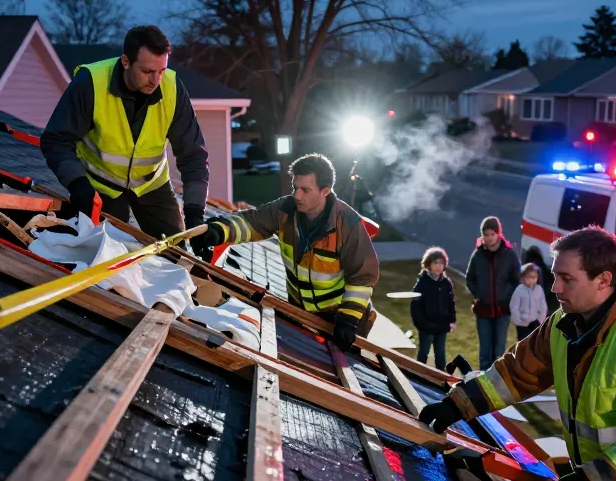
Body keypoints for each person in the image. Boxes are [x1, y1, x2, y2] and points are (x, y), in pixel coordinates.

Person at [419, 226, 616, 481]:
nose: (554, 287)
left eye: (566, 279)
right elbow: (515, 373)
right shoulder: (564, 322)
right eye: (554, 275)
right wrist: (456, 406)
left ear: (603, 280)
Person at [40, 25, 212, 258]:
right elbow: (57, 140)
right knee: (105, 256)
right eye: (147, 71)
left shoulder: (172, 87)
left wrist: (194, 212)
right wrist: (78, 185)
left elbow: (193, 155)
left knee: (177, 256)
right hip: (101, 189)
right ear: (125, 61)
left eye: (162, 70)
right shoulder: (90, 84)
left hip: (152, 185)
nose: (156, 80)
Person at [197, 153, 379, 351]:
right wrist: (220, 231)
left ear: (325, 191)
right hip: (303, 315)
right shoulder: (285, 210)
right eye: (295, 188)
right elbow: (252, 223)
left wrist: (348, 320)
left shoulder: (348, 225)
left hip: (342, 320)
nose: (297, 196)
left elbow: (362, 278)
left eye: (305, 190)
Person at [465, 216, 521, 370]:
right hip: (483, 309)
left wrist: (507, 296)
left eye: (492, 234)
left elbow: (516, 279)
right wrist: (479, 294)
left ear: (498, 234)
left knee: (499, 348)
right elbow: (470, 279)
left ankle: (496, 381)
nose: (489, 238)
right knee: (485, 349)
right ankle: (483, 382)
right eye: (486, 234)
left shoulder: (509, 254)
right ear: (482, 235)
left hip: (502, 309)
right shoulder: (478, 255)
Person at [410, 247, 456, 370]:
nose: (438, 266)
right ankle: (418, 374)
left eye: (441, 263)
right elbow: (415, 307)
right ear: (428, 264)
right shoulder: (422, 283)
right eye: (435, 263)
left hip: (442, 325)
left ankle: (441, 379)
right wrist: (421, 323)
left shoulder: (446, 283)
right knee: (423, 352)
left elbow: (451, 303)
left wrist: (451, 320)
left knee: (440, 354)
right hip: (426, 326)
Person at [510, 262, 548, 342]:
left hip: (536, 324)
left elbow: (543, 307)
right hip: (523, 325)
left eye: (534, 277)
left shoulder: (539, 290)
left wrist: (540, 320)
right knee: (523, 345)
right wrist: (519, 322)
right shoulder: (519, 290)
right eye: (529, 277)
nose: (532, 279)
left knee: (534, 345)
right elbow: (514, 307)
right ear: (523, 278)